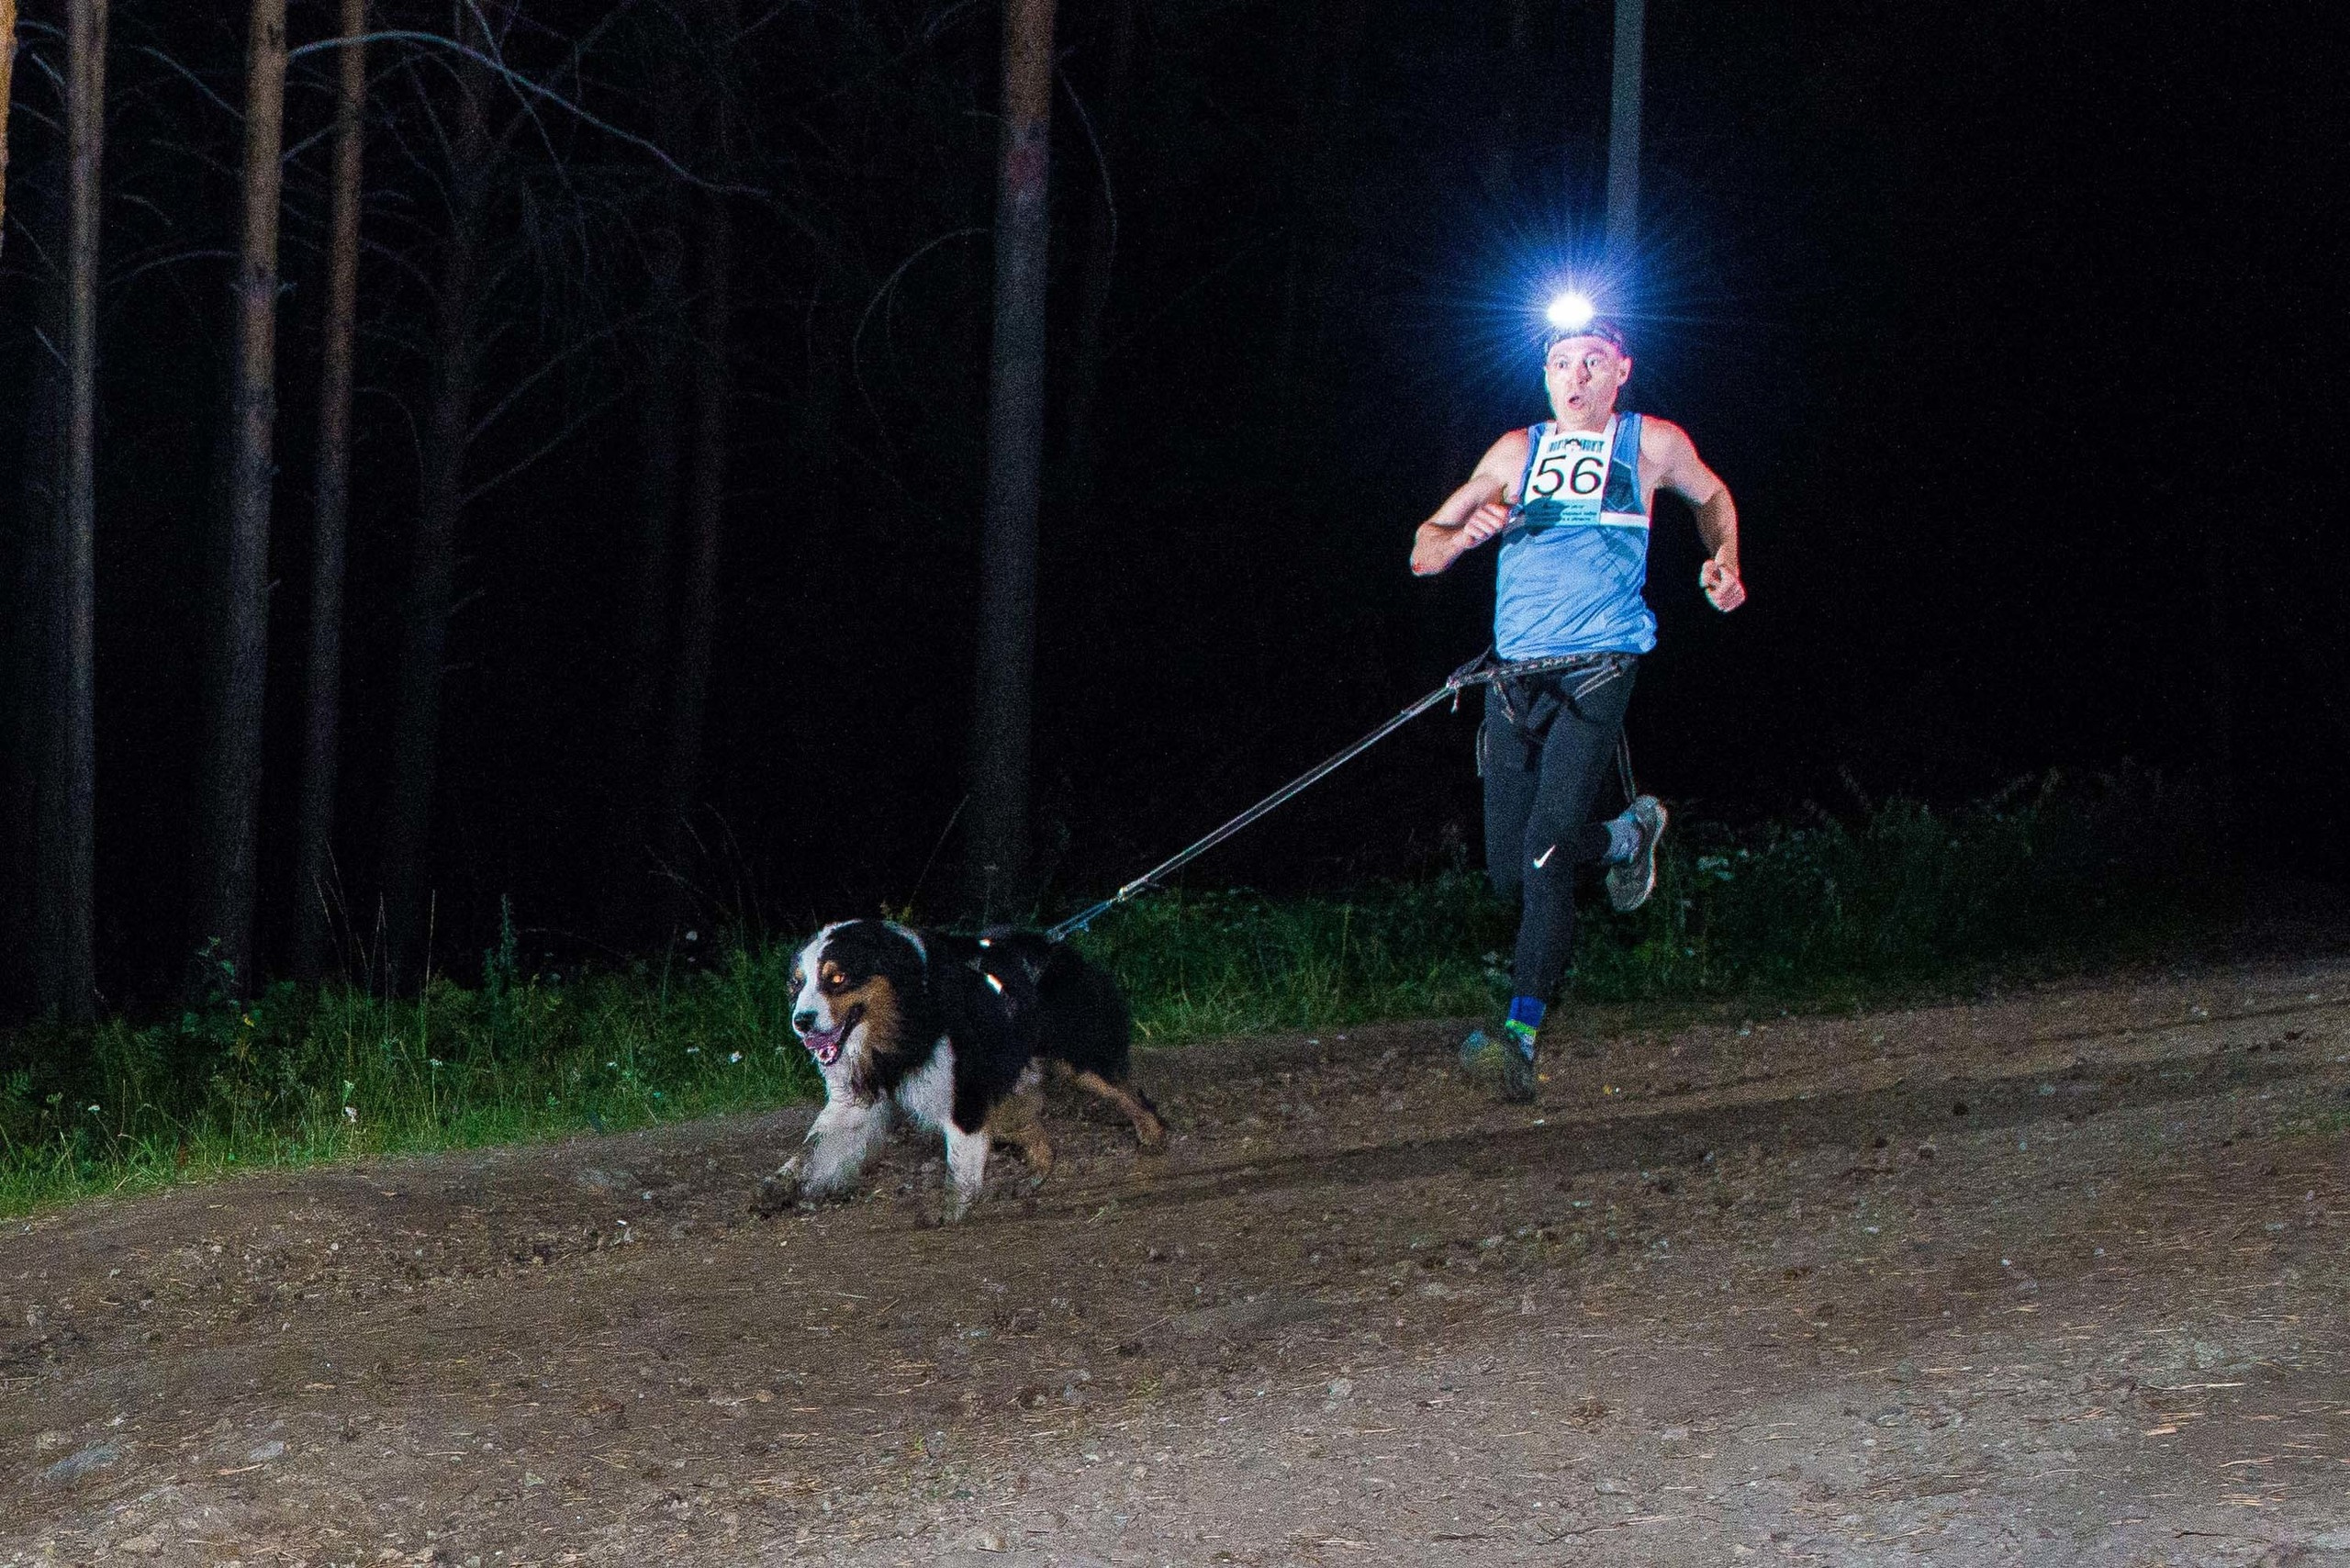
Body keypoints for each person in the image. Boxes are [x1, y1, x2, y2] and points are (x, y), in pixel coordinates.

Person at [1410, 317, 1744, 1101]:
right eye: (1562, 362)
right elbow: (1424, 547)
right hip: (1514, 680)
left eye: (1594, 361)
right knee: (1506, 873)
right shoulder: (1515, 452)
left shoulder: (1651, 442)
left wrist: (1722, 557)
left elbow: (1713, 495)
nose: (1577, 376)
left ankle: (1518, 1039)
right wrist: (1461, 541)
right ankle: (1626, 834)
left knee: (1547, 852)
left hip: (1600, 668)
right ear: (1547, 376)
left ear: (1622, 370)